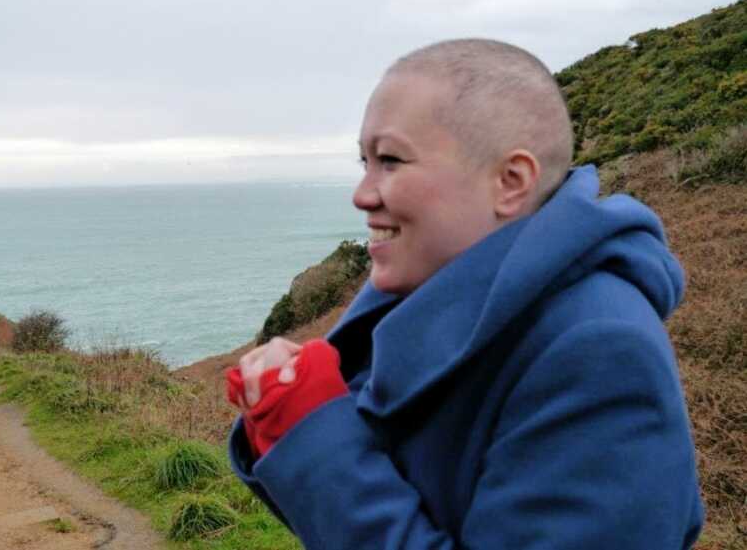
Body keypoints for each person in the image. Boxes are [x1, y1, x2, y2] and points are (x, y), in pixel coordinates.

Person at [226, 39, 704, 549]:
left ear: (510, 182)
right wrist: (287, 413)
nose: (362, 194)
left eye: (389, 160)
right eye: (364, 161)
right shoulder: (432, 291)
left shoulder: (599, 352)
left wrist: (311, 430)